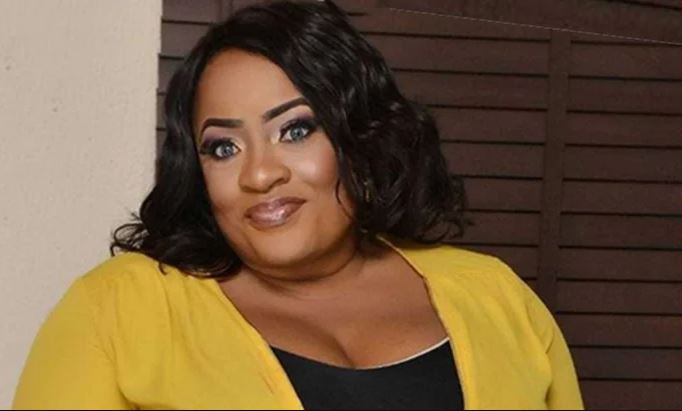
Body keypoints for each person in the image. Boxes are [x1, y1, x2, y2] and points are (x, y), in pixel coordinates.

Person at [13, 1, 584, 409]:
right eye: (224, 147)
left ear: (360, 137)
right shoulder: (117, 310)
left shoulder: (498, 298)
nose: (260, 174)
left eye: (295, 130)